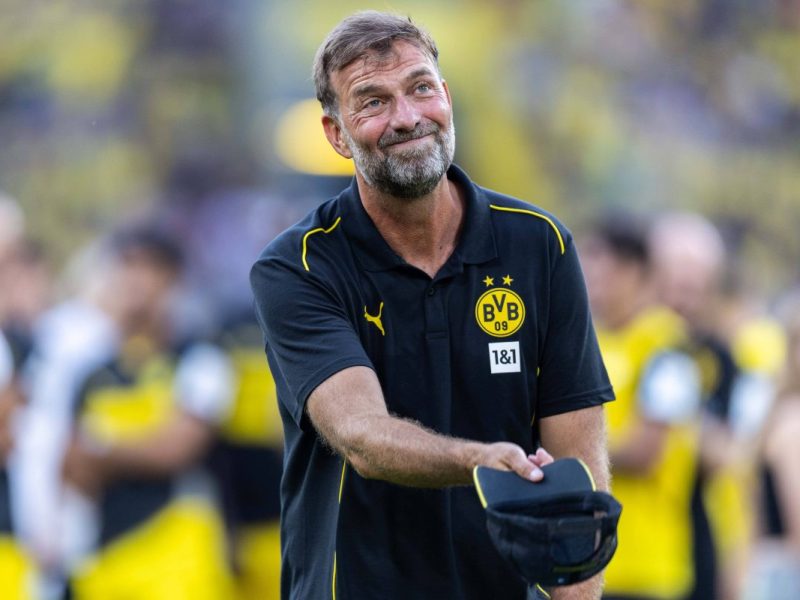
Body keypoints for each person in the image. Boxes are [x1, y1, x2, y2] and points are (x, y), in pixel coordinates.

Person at [250, 11, 613, 600]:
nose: (407, 117)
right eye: (372, 101)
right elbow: (361, 435)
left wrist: (577, 589)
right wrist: (482, 461)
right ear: (337, 133)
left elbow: (577, 440)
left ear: (446, 97)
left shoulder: (540, 243)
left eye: (421, 88)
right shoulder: (297, 266)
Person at [578, 213, 702, 600]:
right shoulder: (588, 339)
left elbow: (649, 450)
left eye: (602, 270)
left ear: (635, 271)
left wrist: (568, 447)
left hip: (648, 567)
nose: (591, 282)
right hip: (589, 561)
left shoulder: (670, 348)